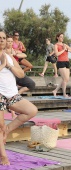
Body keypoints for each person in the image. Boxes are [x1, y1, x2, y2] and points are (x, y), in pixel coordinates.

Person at [0, 31, 37, 165]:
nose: (2, 40)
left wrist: (9, 65)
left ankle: (8, 130)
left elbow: (21, 74)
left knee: (31, 110)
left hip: (12, 94)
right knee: (0, 125)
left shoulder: (9, 57)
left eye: (4, 38)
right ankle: (3, 155)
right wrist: (2, 66)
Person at [5, 35, 36, 118]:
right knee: (11, 93)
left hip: (17, 73)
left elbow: (24, 55)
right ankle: (13, 114)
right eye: (8, 41)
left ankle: (19, 93)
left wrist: (15, 54)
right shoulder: (3, 52)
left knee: (31, 84)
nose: (10, 43)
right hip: (9, 75)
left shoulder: (14, 51)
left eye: (11, 41)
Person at [52, 33, 71, 97]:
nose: (62, 38)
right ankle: (64, 94)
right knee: (65, 79)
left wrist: (67, 49)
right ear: (57, 37)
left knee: (66, 79)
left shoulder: (65, 45)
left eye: (62, 37)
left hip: (67, 62)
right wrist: (63, 49)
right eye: (61, 37)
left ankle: (55, 90)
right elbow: (56, 54)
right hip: (61, 62)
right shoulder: (56, 45)